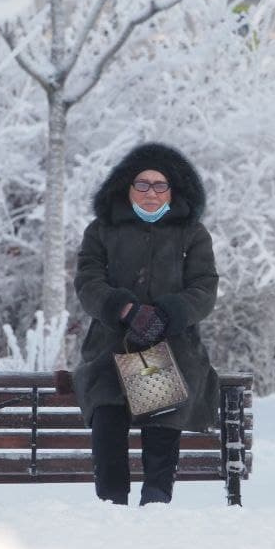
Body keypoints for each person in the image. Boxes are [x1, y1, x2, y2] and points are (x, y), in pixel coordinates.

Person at [72, 142, 221, 506]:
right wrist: (124, 310)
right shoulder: (102, 229)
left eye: (160, 185)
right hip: (111, 344)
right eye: (142, 184)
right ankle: (112, 506)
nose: (150, 193)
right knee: (107, 417)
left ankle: (155, 506)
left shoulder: (191, 232)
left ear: (173, 190)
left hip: (163, 345)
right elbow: (88, 281)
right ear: (126, 186)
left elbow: (204, 287)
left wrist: (167, 314)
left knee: (159, 415)